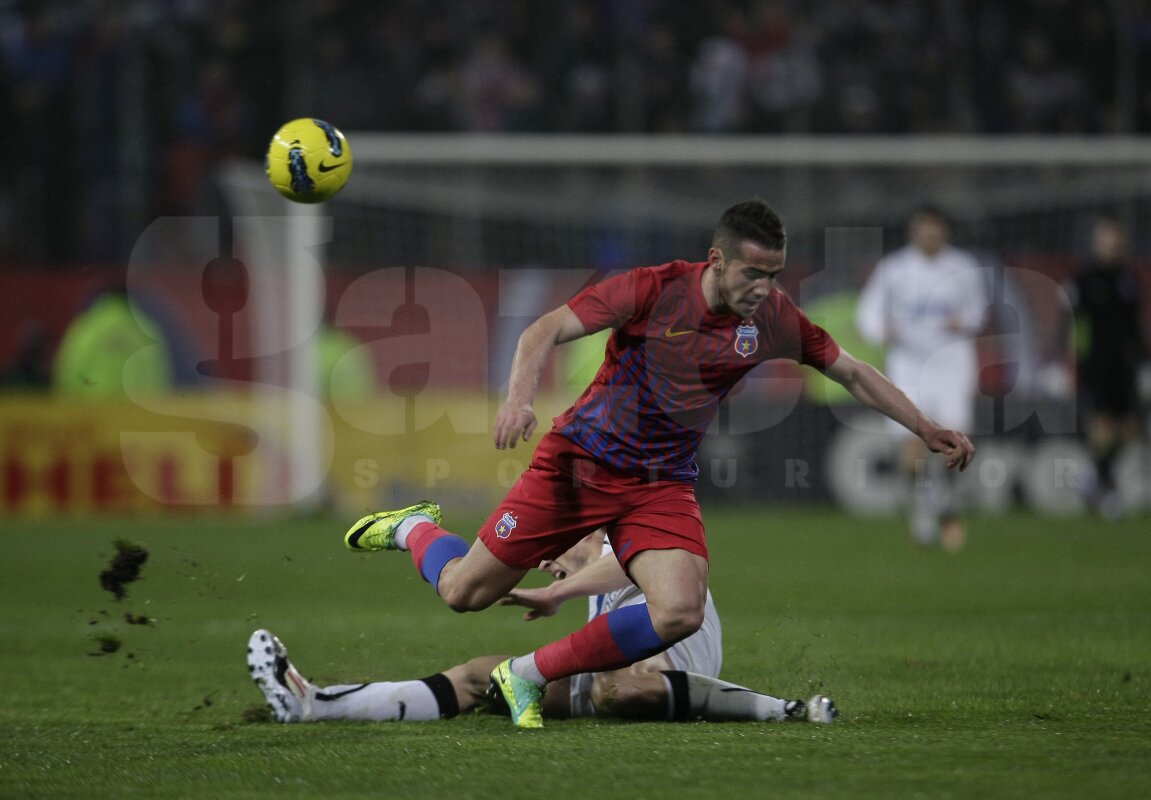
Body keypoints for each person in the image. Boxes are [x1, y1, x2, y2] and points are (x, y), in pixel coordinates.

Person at [345, 199, 974, 728]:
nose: (764, 288)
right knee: (463, 593)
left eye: (774, 275)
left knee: (678, 610)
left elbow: (853, 373)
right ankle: (413, 528)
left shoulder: (774, 318)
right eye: (753, 273)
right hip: (578, 467)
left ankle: (526, 675)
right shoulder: (651, 289)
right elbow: (541, 330)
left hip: (660, 484)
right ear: (717, 260)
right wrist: (518, 400)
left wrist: (926, 427)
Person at [248, 531, 837, 724]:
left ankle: (782, 709)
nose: (548, 559)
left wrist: (558, 590)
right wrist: (560, 591)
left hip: (669, 673)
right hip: (610, 675)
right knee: (485, 675)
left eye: (555, 548)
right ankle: (314, 703)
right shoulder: (592, 555)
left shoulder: (624, 538)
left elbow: (624, 561)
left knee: (621, 686)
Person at [855, 205, 988, 551]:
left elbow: (979, 310)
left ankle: (937, 504)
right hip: (909, 367)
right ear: (914, 231)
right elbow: (867, 313)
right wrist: (879, 330)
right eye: (923, 228)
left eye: (935, 228)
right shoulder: (894, 269)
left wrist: (966, 321)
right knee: (912, 453)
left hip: (952, 364)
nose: (929, 234)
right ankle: (929, 510)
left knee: (955, 444)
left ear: (943, 231)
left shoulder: (963, 267)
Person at [1062, 216, 1151, 518]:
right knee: (1101, 425)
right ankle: (1107, 489)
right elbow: (1071, 327)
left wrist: (1144, 365)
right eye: (1104, 239)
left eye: (1114, 240)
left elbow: (1135, 328)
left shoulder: (1128, 281)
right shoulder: (1081, 281)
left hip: (1123, 364)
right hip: (1095, 364)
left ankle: (1093, 475)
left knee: (1129, 429)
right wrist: (1069, 363)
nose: (1110, 245)